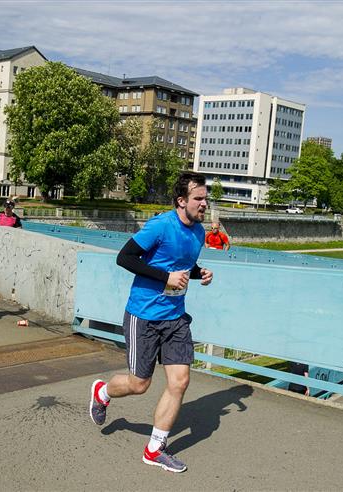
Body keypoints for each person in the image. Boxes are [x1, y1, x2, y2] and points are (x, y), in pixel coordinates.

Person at [89, 171, 213, 473]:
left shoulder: (198, 232)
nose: (204, 204)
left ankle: (155, 449)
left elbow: (182, 264)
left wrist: (199, 273)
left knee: (180, 381)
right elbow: (125, 257)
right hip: (143, 315)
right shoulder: (160, 225)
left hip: (175, 318)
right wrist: (165, 277)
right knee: (139, 384)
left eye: (206, 198)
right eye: (198, 198)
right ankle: (102, 392)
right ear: (181, 201)